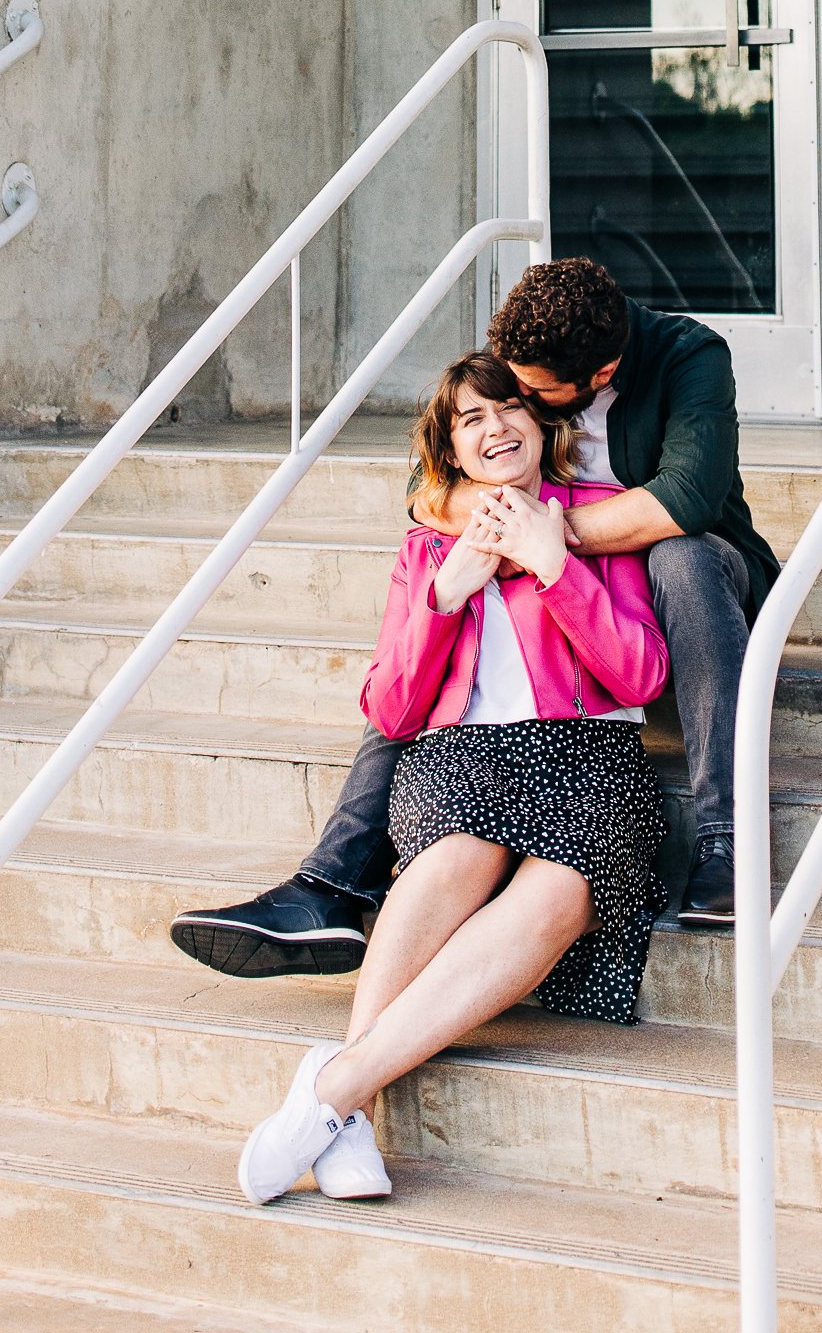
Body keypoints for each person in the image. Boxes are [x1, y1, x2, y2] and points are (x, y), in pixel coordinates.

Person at [173, 255, 777, 977]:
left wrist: (544, 536)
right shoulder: (527, 352)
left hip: (673, 577)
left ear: (602, 373)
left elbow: (686, 499)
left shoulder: (688, 357)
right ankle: (329, 883)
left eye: (529, 394)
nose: (511, 396)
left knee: (682, 555)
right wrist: (503, 540)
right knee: (435, 615)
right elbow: (427, 490)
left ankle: (725, 838)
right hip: (551, 581)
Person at [234, 347, 669, 1206]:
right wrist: (443, 595)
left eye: (507, 408)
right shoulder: (426, 546)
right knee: (449, 862)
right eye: (470, 419)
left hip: (590, 756)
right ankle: (347, 1105)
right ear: (451, 453)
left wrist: (557, 567)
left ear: (542, 425)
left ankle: (329, 1094)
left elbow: (643, 676)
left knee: (559, 895)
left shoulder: (601, 521)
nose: (494, 427)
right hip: (461, 755)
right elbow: (391, 709)